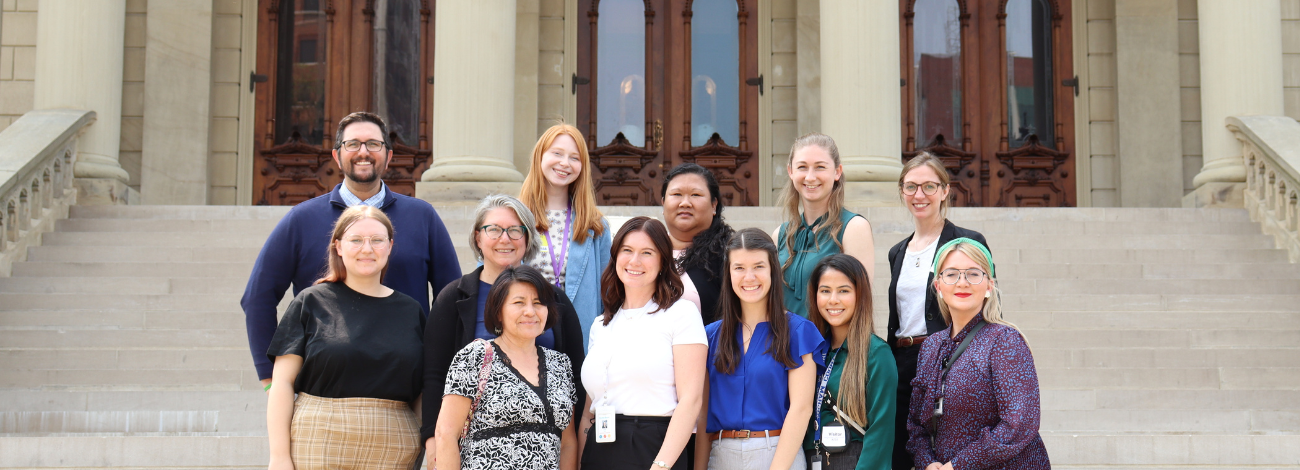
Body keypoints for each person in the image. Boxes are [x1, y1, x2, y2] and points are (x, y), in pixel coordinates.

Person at [242, 111, 461, 390]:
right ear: (336, 156)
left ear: (389, 155)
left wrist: (440, 372)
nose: (363, 152)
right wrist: (270, 376)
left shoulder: (423, 217)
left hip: (407, 385)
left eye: (373, 144)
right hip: (325, 383)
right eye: (352, 144)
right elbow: (257, 297)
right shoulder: (301, 219)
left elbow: (452, 300)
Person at [423, 195, 588, 451]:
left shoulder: (554, 299)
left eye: (515, 230)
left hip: (546, 449)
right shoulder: (453, 297)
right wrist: (434, 441)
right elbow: (434, 375)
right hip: (475, 449)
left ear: (528, 238)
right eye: (494, 230)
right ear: (478, 237)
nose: (505, 239)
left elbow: (575, 376)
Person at [265, 206, 424, 470]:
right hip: (318, 441)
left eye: (377, 240)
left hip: (395, 448)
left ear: (390, 246)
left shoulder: (411, 310)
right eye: (356, 240)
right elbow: (282, 383)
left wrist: (430, 444)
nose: (367, 248)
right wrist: (279, 457)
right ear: (338, 246)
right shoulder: (311, 302)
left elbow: (419, 392)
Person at [906, 239, 1049, 470]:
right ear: (938, 286)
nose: (962, 283)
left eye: (973, 274)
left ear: (989, 285)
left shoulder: (1005, 341)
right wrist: (928, 462)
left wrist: (958, 465)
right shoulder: (931, 346)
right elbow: (915, 424)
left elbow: (1019, 424)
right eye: (951, 274)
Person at [885, 152, 988, 469]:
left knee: (946, 450)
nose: (919, 195)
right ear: (902, 191)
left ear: (945, 191)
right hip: (902, 363)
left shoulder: (967, 241)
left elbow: (983, 305)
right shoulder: (898, 251)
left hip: (949, 359)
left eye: (929, 186)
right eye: (911, 186)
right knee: (902, 452)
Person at [578, 216, 707, 470]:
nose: (634, 261)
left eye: (647, 252)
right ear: (615, 257)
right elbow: (587, 411)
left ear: (662, 262)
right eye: (627, 251)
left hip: (654, 448)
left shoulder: (681, 314)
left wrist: (660, 466)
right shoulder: (599, 325)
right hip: (599, 449)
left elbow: (691, 401)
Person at [697, 228, 825, 470]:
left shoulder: (798, 331)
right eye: (739, 268)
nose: (749, 277)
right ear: (728, 273)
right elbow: (703, 415)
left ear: (772, 270)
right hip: (721, 455)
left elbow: (801, 409)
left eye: (758, 266)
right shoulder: (711, 336)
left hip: (777, 453)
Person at [432, 266, 579, 470]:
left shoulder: (560, 364)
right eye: (519, 302)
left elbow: (568, 443)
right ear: (498, 311)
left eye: (538, 303)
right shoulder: (475, 356)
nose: (530, 311)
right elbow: (446, 434)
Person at [520, 123, 612, 345]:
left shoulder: (596, 226)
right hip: (525, 333)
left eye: (574, 158)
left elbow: (608, 291)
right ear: (540, 156)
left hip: (577, 335)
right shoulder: (516, 218)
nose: (564, 163)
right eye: (557, 153)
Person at [803, 254, 897, 470]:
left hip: (854, 461)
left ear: (859, 295)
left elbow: (880, 432)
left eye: (843, 291)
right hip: (808, 460)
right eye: (825, 290)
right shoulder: (810, 351)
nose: (833, 300)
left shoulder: (876, 353)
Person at [775, 133, 874, 319]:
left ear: (837, 172)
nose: (810, 177)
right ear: (790, 171)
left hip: (830, 345)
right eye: (802, 167)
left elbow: (861, 303)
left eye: (820, 167)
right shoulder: (780, 234)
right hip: (785, 345)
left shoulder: (854, 228)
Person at [662, 163, 735, 323]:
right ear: (663, 203)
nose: (685, 203)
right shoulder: (647, 250)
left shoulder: (730, 254)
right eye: (676, 194)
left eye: (695, 195)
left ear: (714, 205)